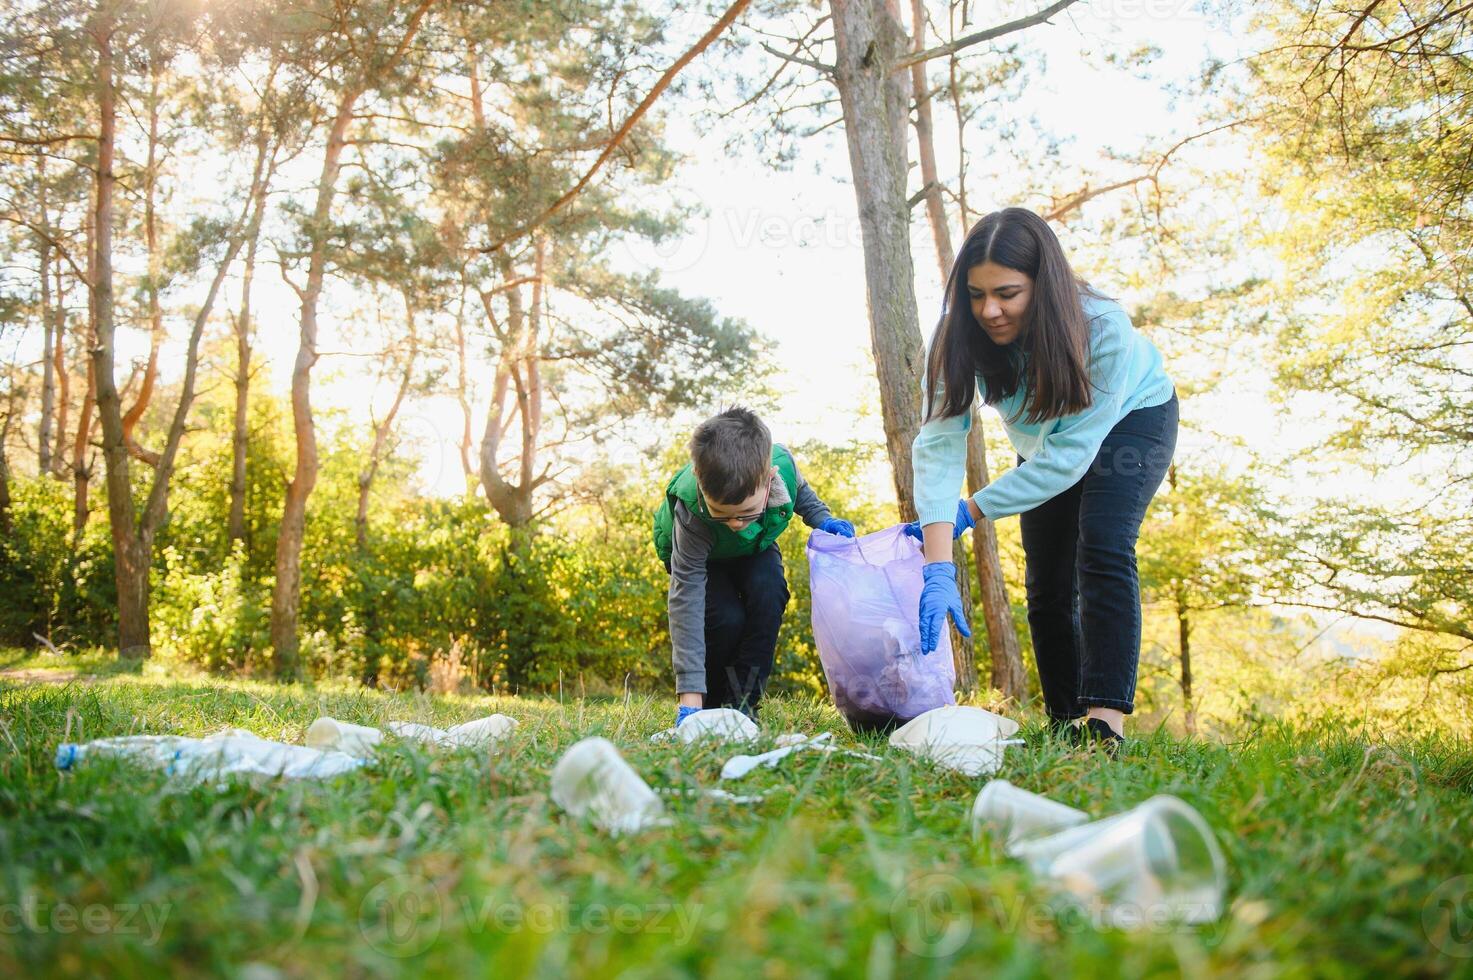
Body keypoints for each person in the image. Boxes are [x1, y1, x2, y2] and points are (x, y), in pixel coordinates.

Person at [908, 207, 1178, 756]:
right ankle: (1064, 722)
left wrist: (973, 510)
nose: (990, 310)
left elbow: (1070, 460)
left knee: (1101, 542)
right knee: (1046, 579)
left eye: (1008, 293)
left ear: (1043, 283)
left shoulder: (1102, 327)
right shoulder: (956, 336)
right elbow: (938, 444)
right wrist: (938, 562)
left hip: (1133, 418)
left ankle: (1104, 725)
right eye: (977, 294)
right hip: (1048, 444)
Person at [653, 406, 855, 727]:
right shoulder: (691, 512)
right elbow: (686, 603)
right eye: (723, 512)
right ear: (699, 481)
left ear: (769, 478)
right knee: (726, 618)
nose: (734, 523)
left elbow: (800, 492)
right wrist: (689, 696)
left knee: (769, 590)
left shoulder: (782, 468)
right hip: (702, 558)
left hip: (754, 547)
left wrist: (824, 519)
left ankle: (743, 702)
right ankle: (711, 704)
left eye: (746, 512)